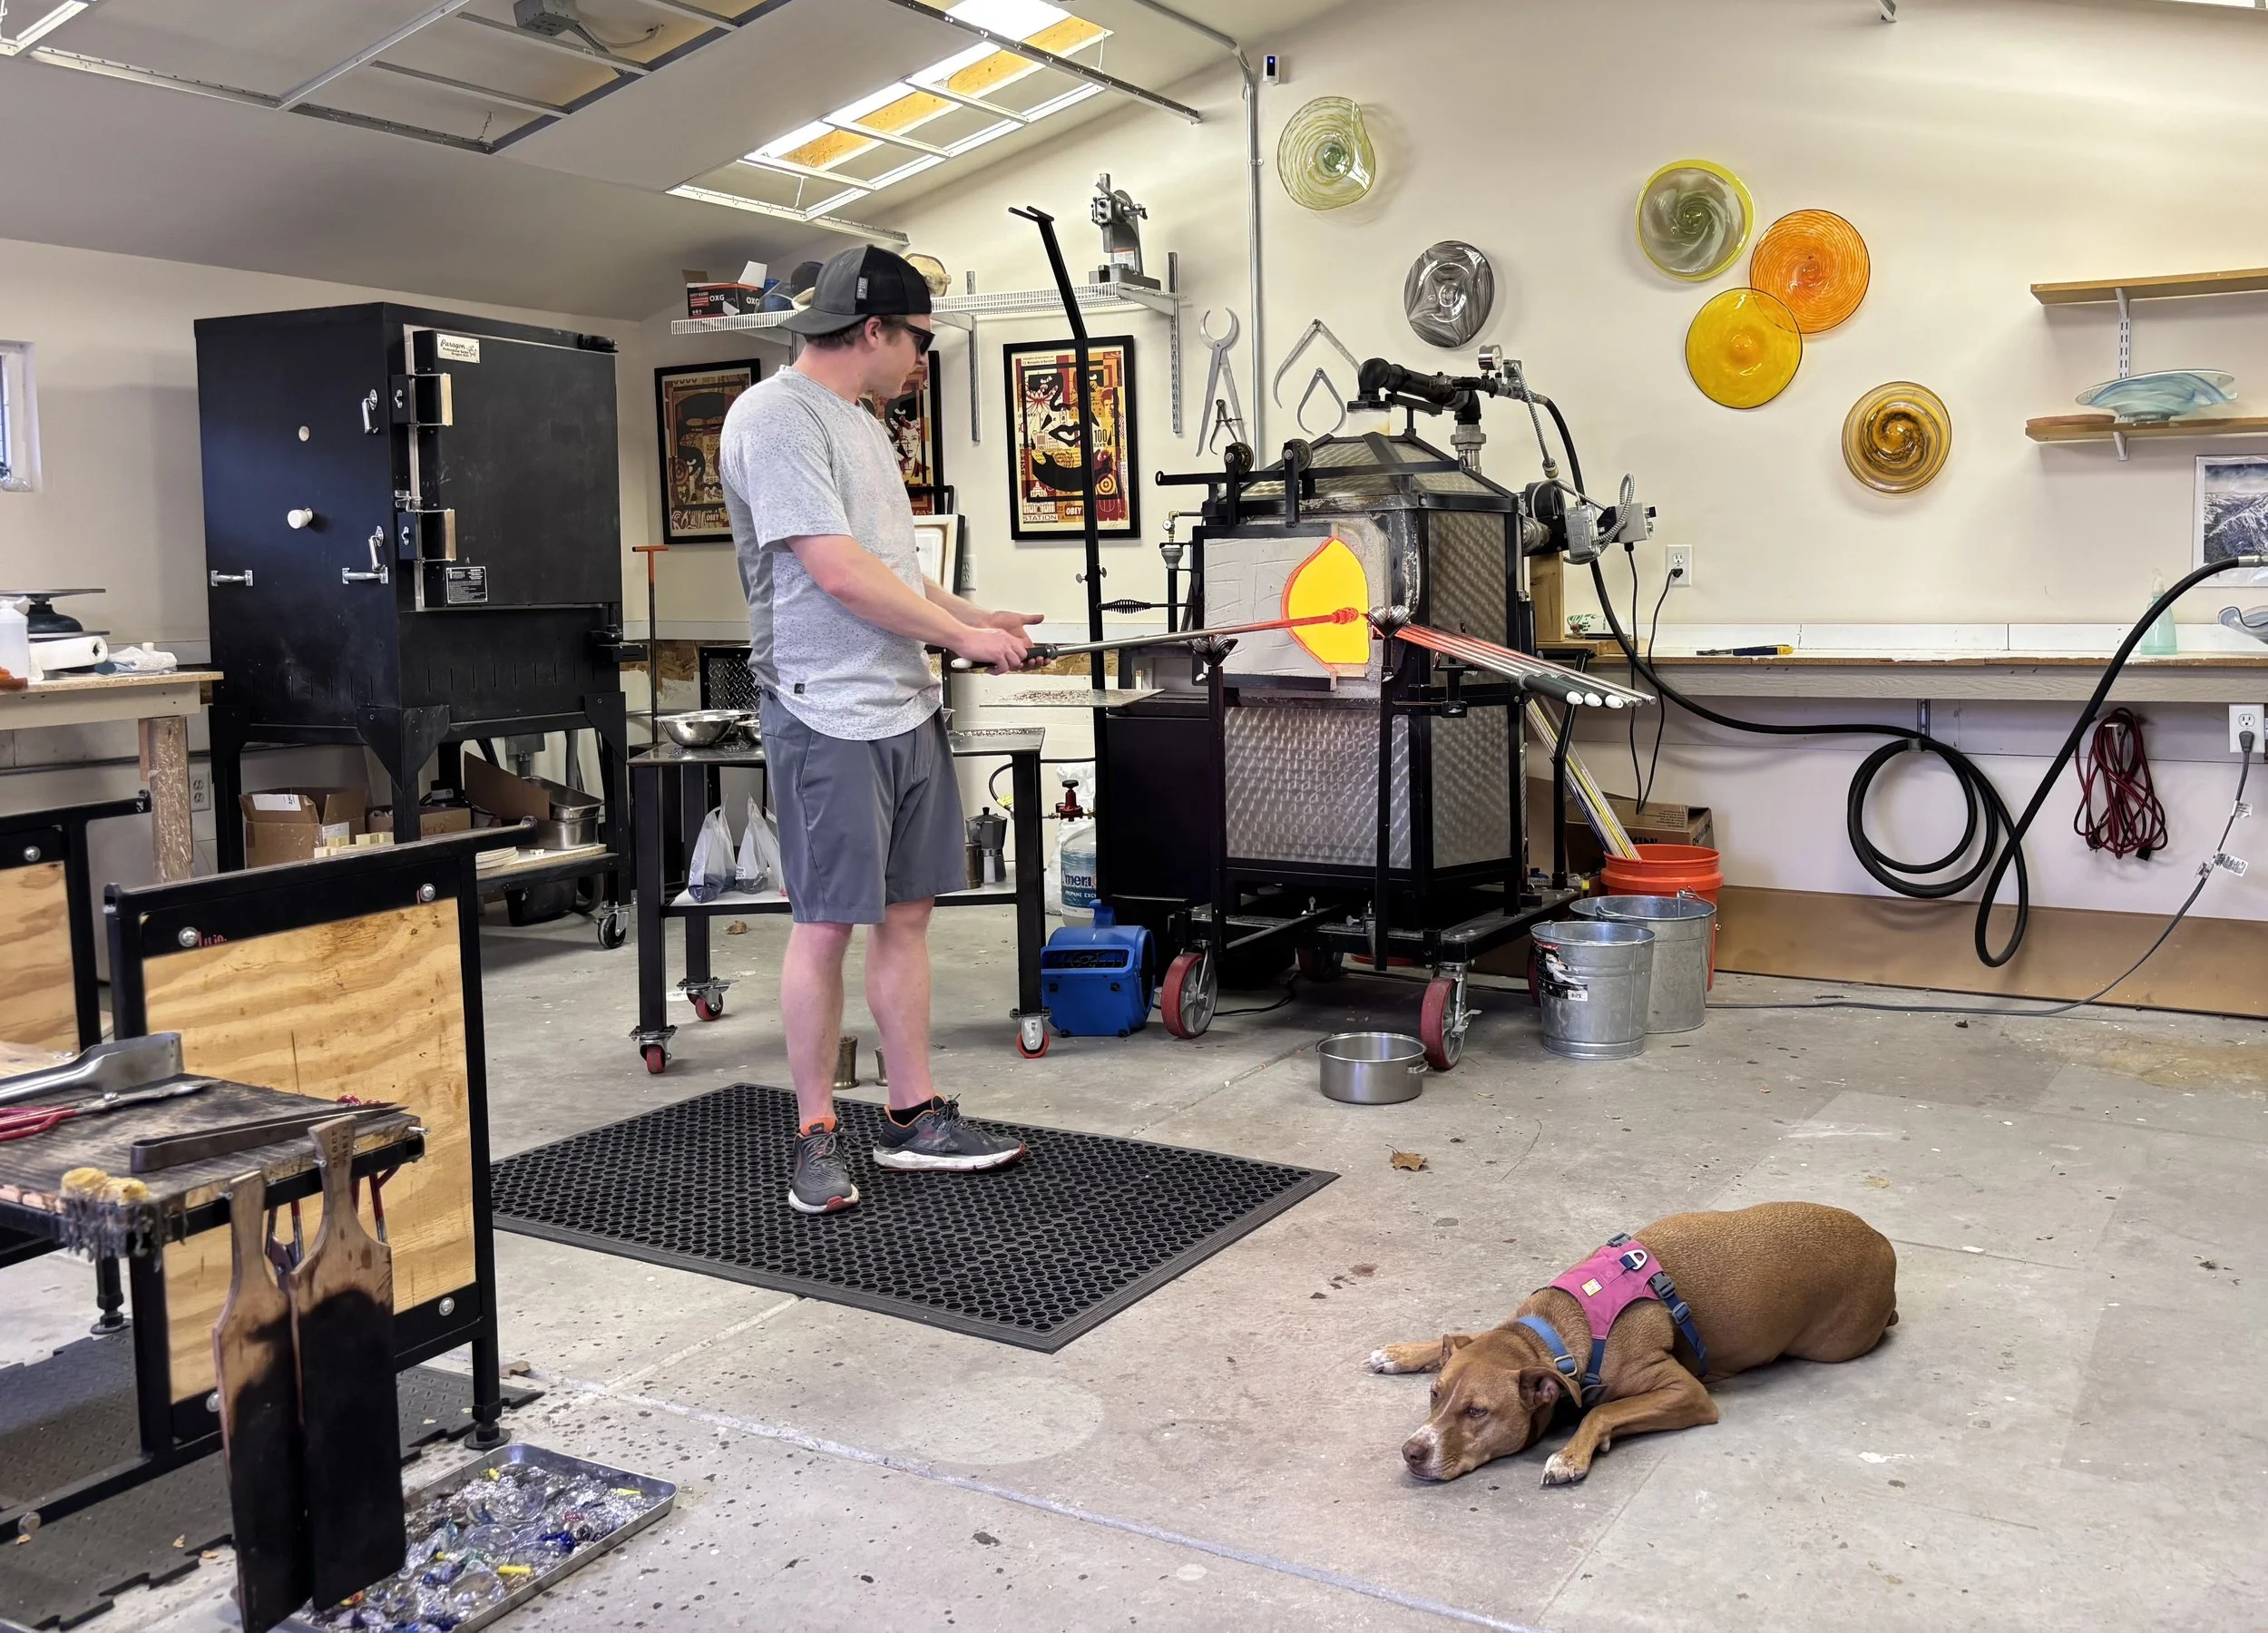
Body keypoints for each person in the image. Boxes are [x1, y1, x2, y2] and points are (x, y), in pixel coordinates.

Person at [719, 245, 1039, 1215]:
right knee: (823, 927)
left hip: (902, 703)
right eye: (919, 342)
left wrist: (976, 620)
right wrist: (961, 641)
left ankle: (912, 1116)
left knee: (908, 917)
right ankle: (817, 1134)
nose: (921, 362)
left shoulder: (861, 426)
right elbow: (836, 573)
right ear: (872, 331)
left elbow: (891, 565)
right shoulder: (773, 418)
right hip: (824, 709)